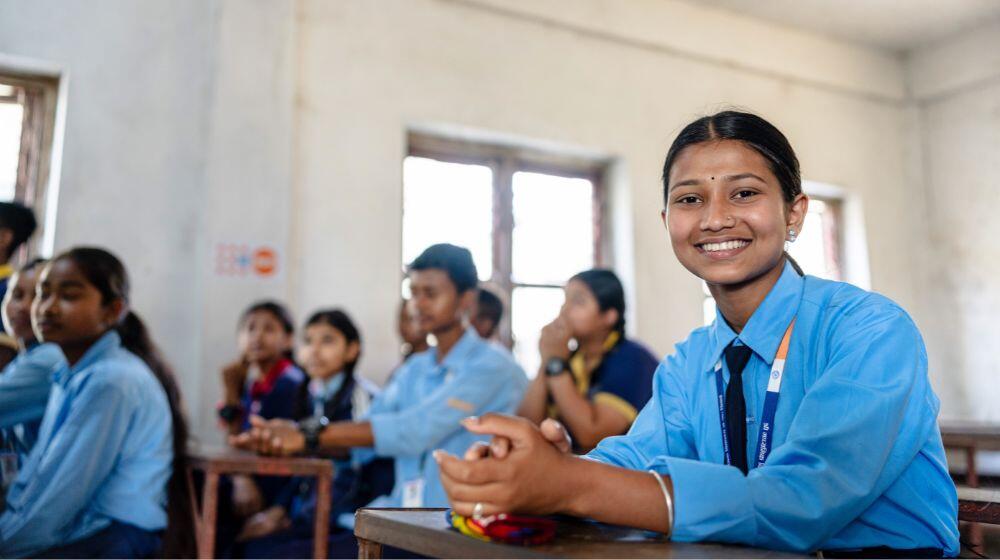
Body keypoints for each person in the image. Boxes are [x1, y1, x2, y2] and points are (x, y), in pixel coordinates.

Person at [434, 111, 959, 557]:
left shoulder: (868, 330)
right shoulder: (692, 360)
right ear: (667, 221)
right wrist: (547, 468)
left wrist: (572, 486)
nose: (714, 219)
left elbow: (805, 498)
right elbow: (635, 458)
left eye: (745, 193)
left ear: (794, 214)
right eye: (689, 200)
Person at [232, 243, 528, 557]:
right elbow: (364, 434)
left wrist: (307, 434)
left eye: (431, 293)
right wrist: (281, 437)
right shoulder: (414, 369)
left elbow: (414, 430)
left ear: (466, 299)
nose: (418, 304)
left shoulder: (494, 368)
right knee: (254, 549)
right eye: (413, 292)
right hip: (398, 520)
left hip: (460, 528)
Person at [0, 247, 192, 558]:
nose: (46, 308)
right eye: (43, 294)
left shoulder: (110, 381)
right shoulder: (71, 373)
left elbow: (60, 497)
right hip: (82, 530)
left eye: (69, 296)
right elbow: (40, 477)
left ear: (112, 311)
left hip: (112, 537)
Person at [235, 309, 394, 558]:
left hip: (346, 518)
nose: (314, 350)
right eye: (308, 341)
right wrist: (280, 510)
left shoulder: (362, 398)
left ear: (352, 350)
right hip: (310, 513)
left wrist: (300, 518)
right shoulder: (309, 393)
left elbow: (358, 468)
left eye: (327, 341)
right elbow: (304, 463)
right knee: (247, 546)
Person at [517, 269, 658, 452]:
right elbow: (526, 426)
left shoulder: (633, 359)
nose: (564, 310)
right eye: (565, 300)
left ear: (609, 316)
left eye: (578, 302)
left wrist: (556, 365)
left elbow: (592, 435)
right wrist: (547, 361)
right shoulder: (570, 358)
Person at [0, 258, 65, 458]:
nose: (24, 307)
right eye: (16, 295)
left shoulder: (48, 358)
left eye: (39, 296)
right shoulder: (27, 355)